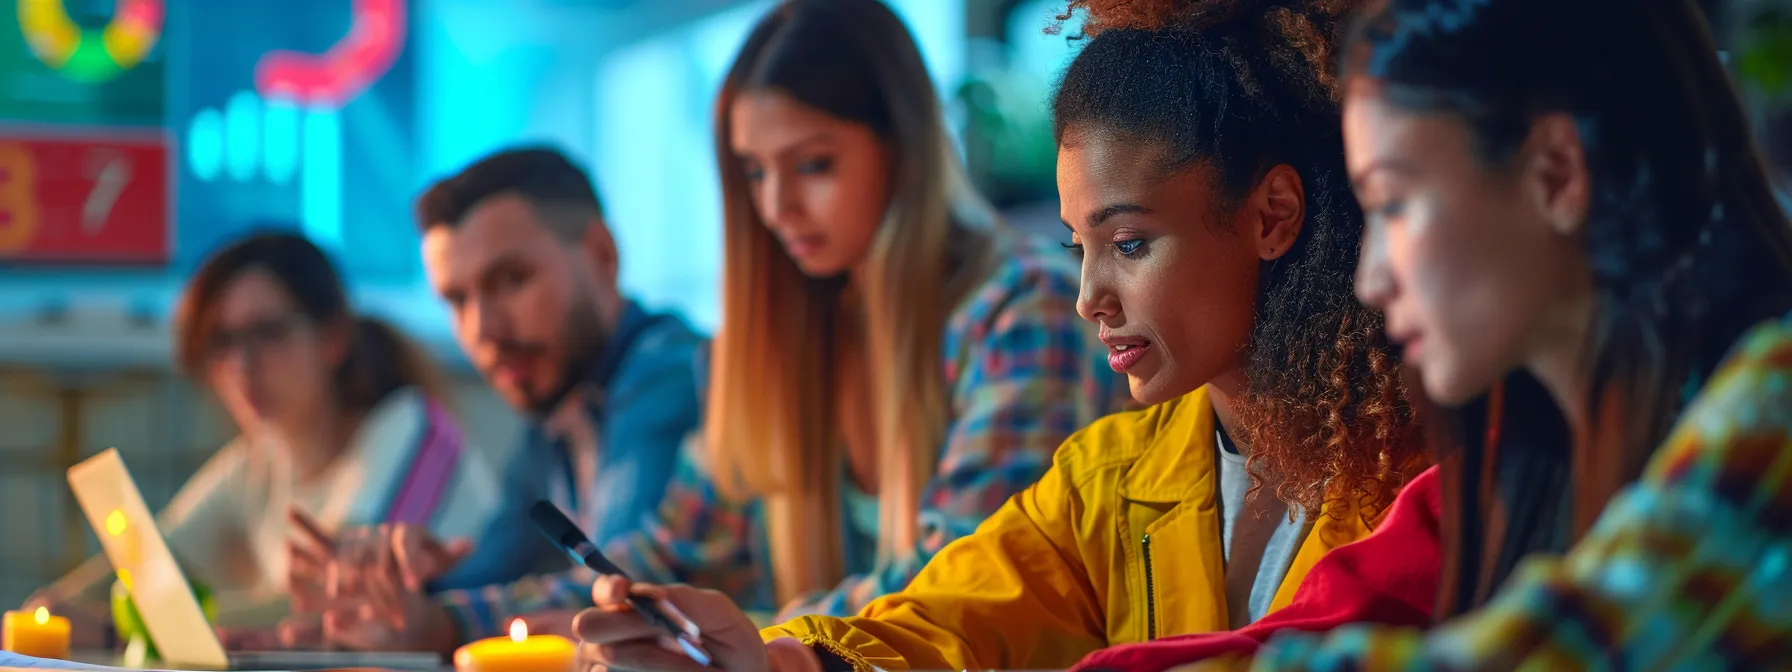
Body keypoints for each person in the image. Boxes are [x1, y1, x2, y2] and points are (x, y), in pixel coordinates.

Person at [569, 0, 1431, 669]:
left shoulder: (1428, 468)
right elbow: (945, 621)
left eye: (1129, 243)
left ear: (1271, 215)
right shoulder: (1106, 481)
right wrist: (778, 660)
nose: (1091, 295)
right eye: (1079, 246)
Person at [1151, 0, 1792, 668]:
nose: (1371, 279)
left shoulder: (1775, 407)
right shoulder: (1521, 466)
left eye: (1394, 203)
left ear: (1556, 173)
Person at [287, 147, 709, 653]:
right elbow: (495, 569)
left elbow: (624, 591)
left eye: (511, 280)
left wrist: (440, 621)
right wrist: (386, 595)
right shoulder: (554, 409)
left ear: (602, 256)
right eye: (457, 300)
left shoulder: (669, 373)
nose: (483, 330)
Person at [25, 231, 507, 648]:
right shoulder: (259, 461)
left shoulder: (413, 431)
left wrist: (118, 630)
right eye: (222, 342)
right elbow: (150, 559)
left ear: (333, 337)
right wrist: (48, 613)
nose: (242, 364)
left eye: (268, 332)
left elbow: (337, 614)